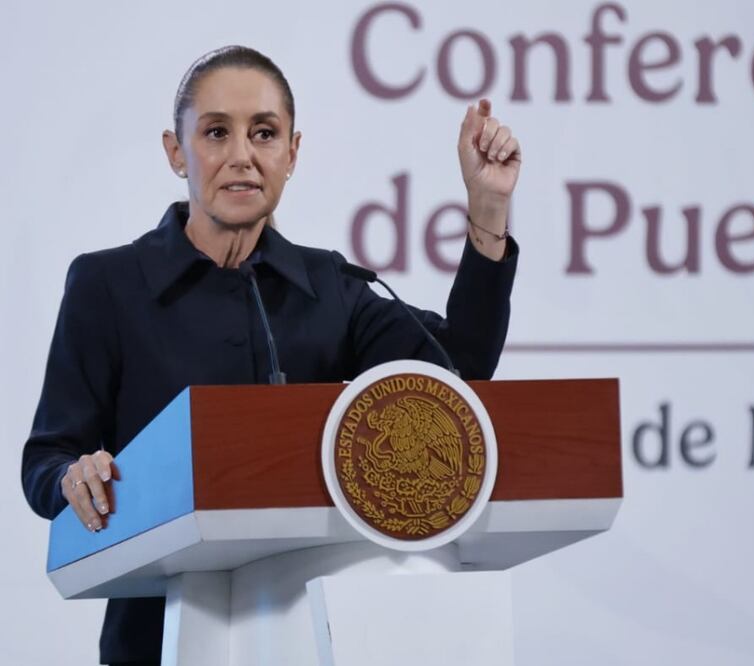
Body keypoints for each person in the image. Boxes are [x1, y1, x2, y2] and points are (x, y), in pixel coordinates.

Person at [20, 45, 521, 666]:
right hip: (157, 637)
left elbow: (457, 372)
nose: (242, 155)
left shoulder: (327, 286)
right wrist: (75, 477)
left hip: (308, 636)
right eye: (216, 133)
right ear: (176, 152)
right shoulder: (109, 285)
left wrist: (488, 210)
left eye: (264, 133)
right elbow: (47, 460)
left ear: (292, 153)